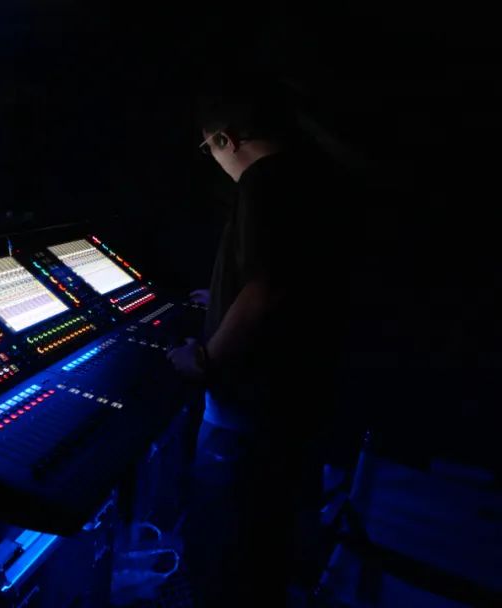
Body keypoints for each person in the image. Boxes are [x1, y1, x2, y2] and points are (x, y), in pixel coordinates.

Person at [166, 80, 345, 606]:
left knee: (223, 538)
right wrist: (222, 295)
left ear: (224, 138)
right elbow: (286, 275)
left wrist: (203, 359)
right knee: (265, 534)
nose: (214, 160)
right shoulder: (310, 173)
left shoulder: (263, 181)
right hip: (294, 399)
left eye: (209, 149)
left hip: (247, 405)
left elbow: (266, 290)